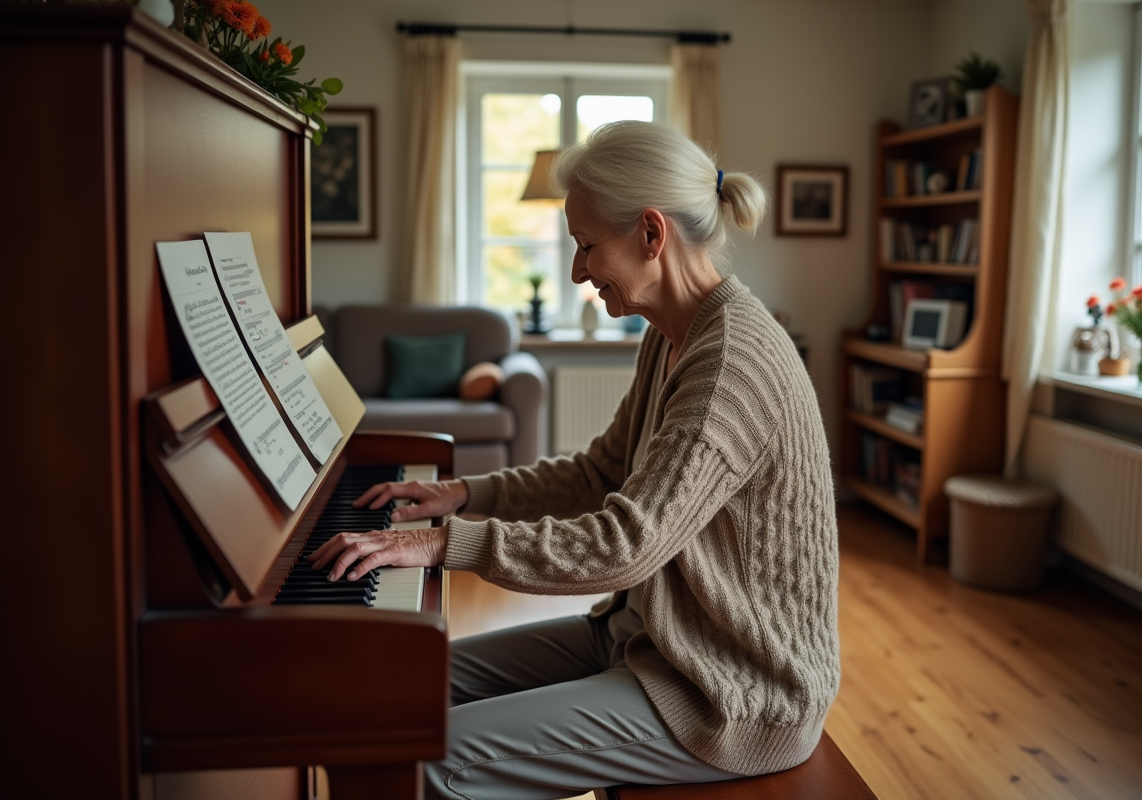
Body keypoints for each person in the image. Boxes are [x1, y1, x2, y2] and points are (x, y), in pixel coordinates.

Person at [310, 120, 840, 800]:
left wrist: (443, 545)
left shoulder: (730, 362)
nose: (576, 271)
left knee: (426, 766)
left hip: (730, 687)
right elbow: (598, 474)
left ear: (652, 234)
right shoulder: (672, 333)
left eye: (587, 246)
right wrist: (464, 495)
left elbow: (626, 546)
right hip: (647, 635)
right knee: (397, 685)